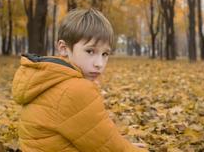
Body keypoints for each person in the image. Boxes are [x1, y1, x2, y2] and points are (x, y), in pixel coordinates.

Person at [12, 8, 147, 152]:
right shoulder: (75, 89)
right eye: (90, 51)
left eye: (105, 54)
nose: (99, 63)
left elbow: (96, 134)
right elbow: (105, 145)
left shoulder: (51, 78)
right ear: (63, 48)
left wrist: (124, 145)